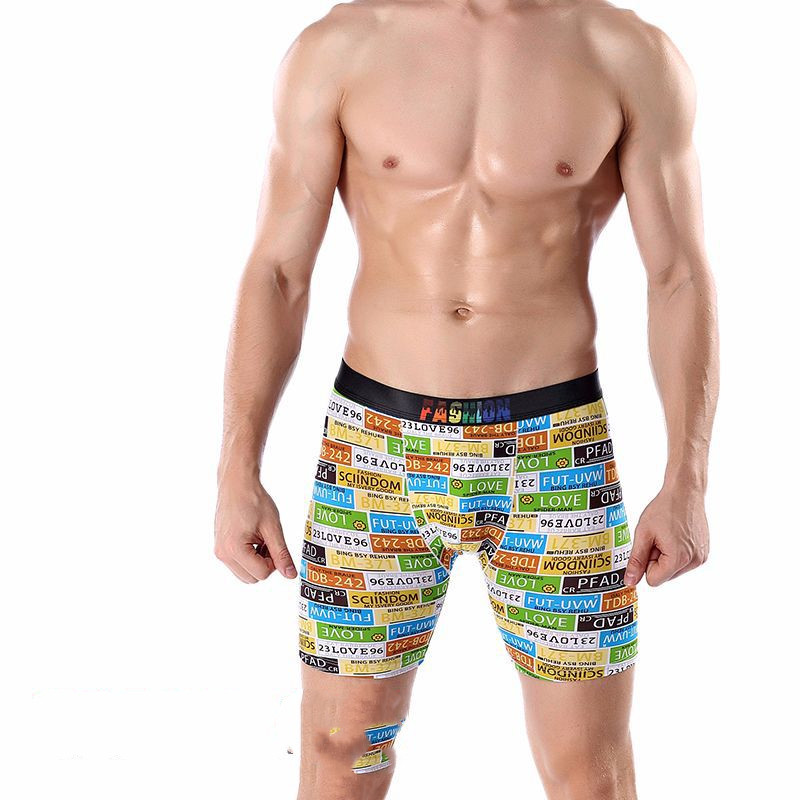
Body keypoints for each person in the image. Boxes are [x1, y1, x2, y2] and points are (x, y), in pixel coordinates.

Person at [213, 1, 720, 798]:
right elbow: (278, 271)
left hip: (555, 454)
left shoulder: (623, 52)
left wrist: (687, 479)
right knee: (344, 749)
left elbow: (678, 275)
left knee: (587, 772)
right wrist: (236, 470)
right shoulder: (342, 46)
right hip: (376, 451)